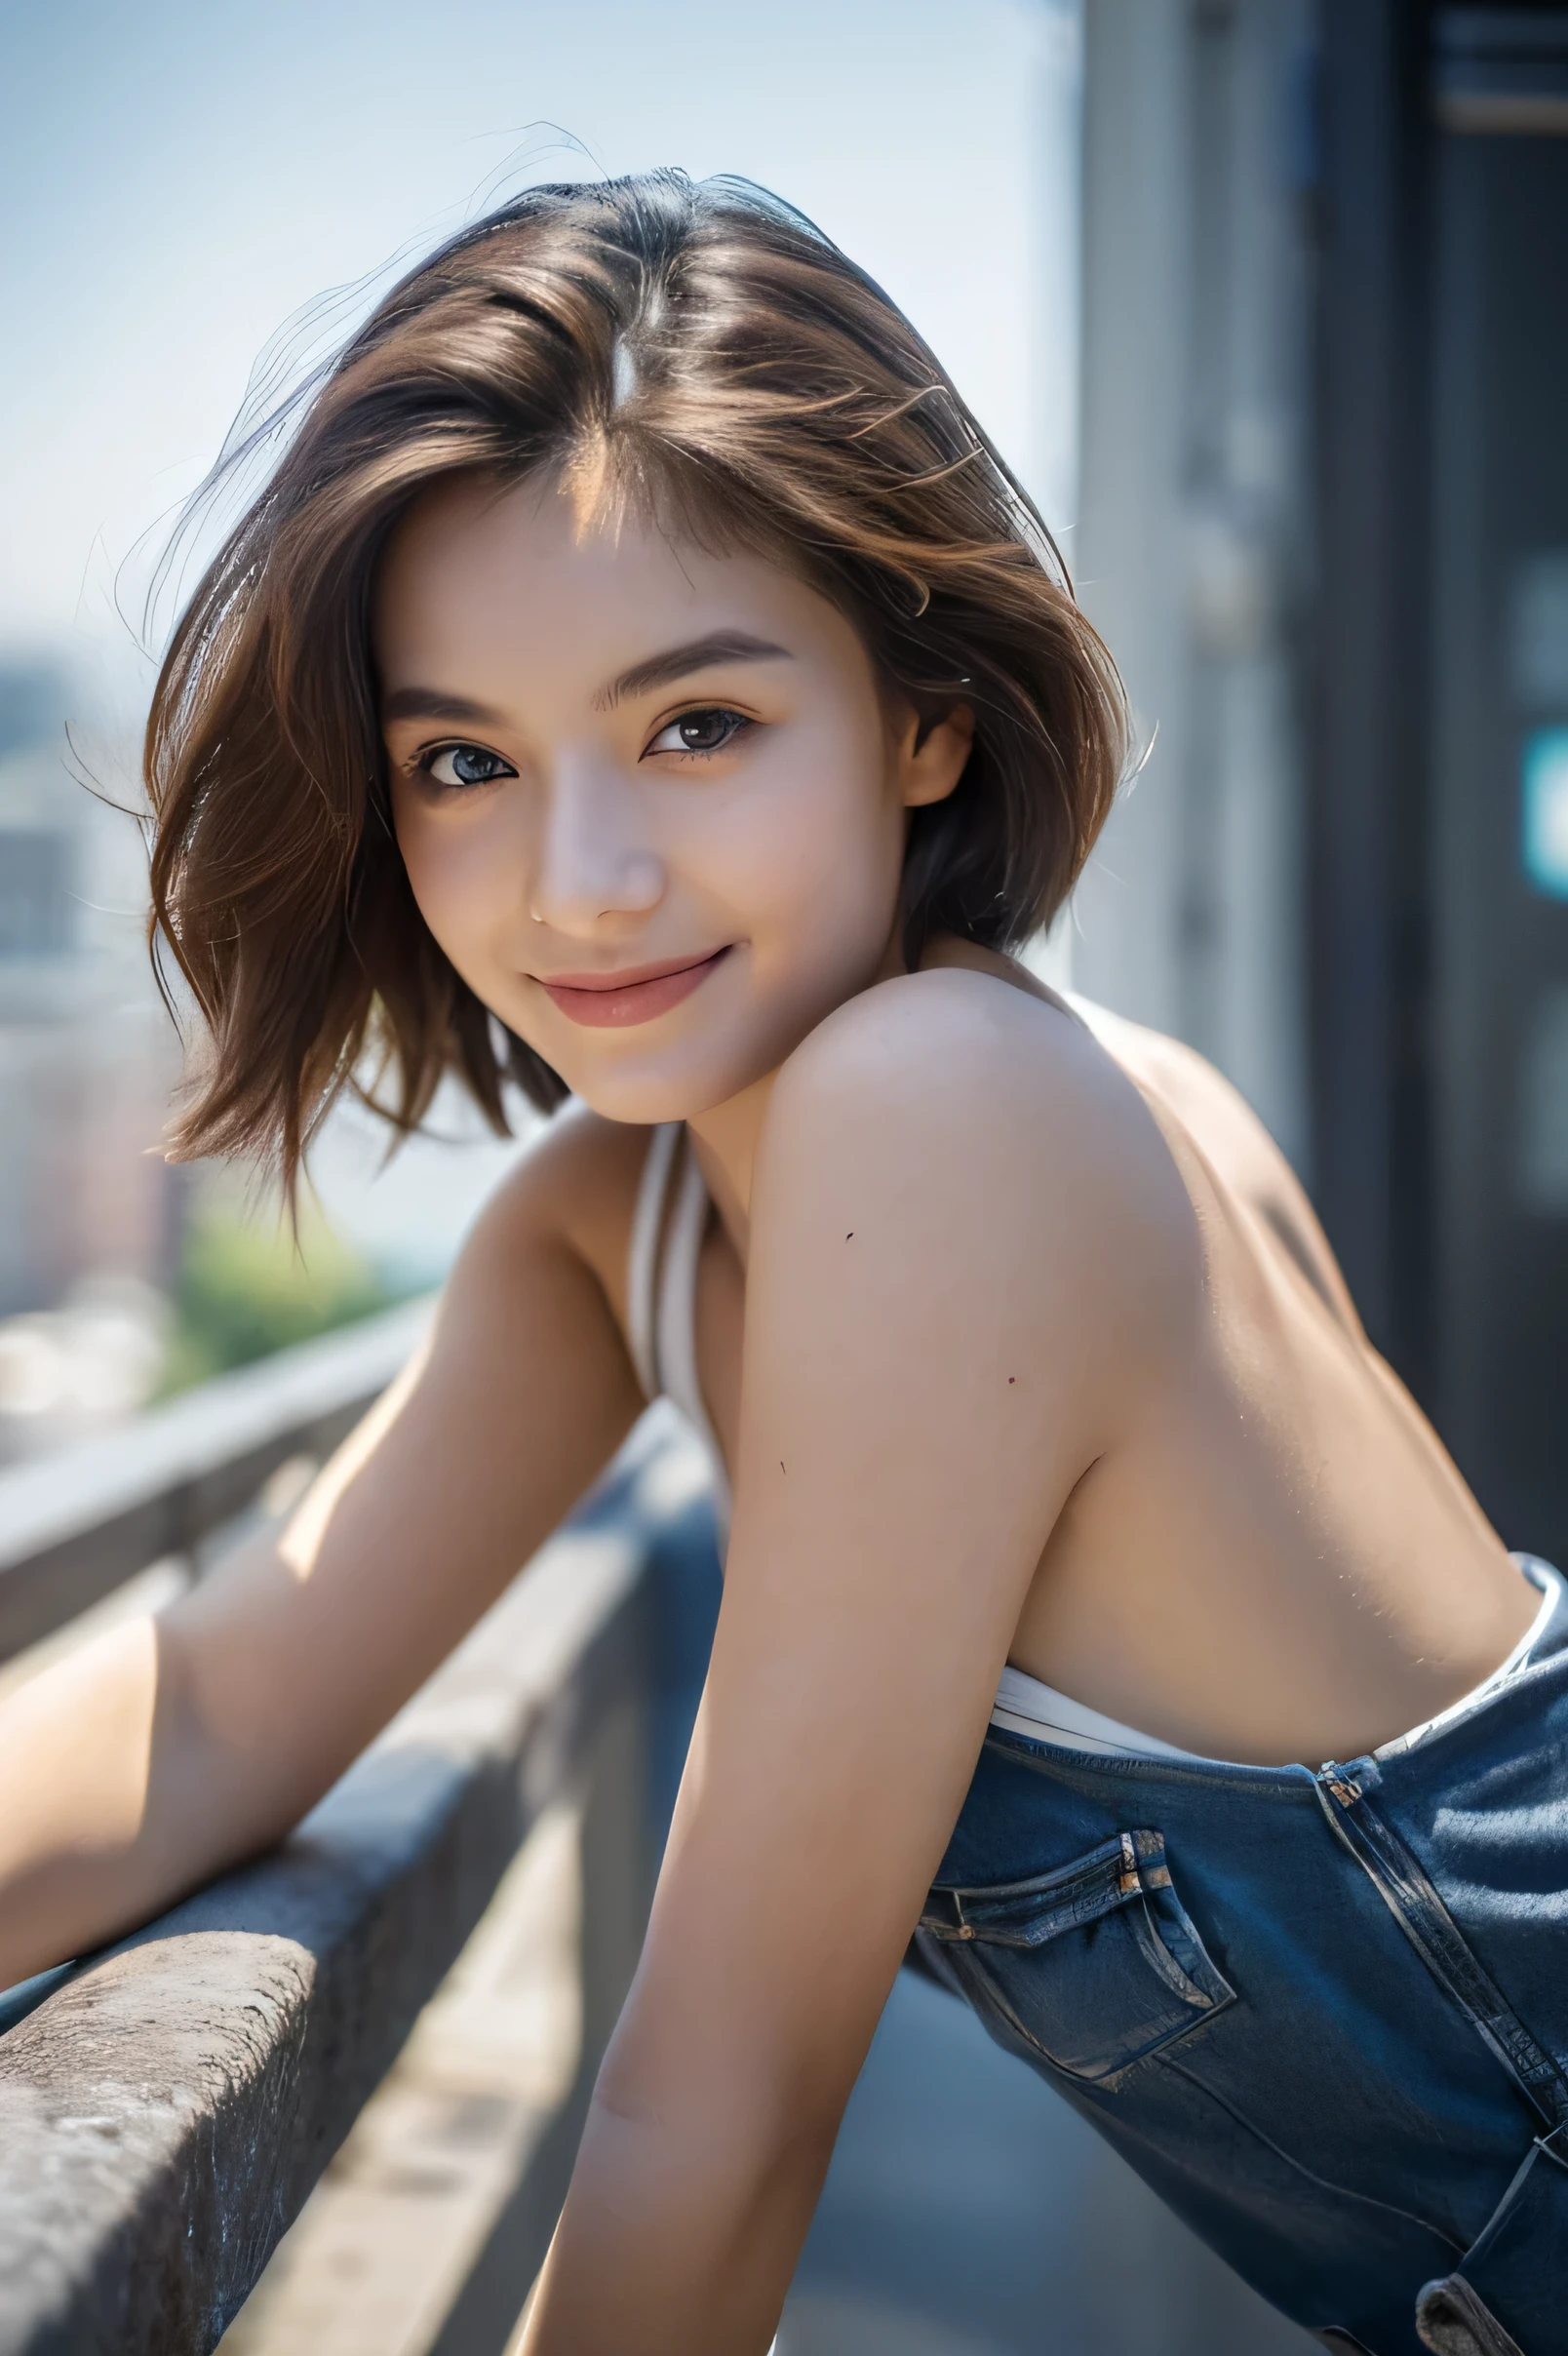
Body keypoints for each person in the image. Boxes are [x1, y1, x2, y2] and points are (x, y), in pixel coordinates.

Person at [0, 173, 1559, 2356]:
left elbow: (711, 2109)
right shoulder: (608, 1224)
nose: (583, 880)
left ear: (925, 721)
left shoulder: (948, 1109)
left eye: (697, 726)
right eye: (466, 760)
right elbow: (226, 1711)